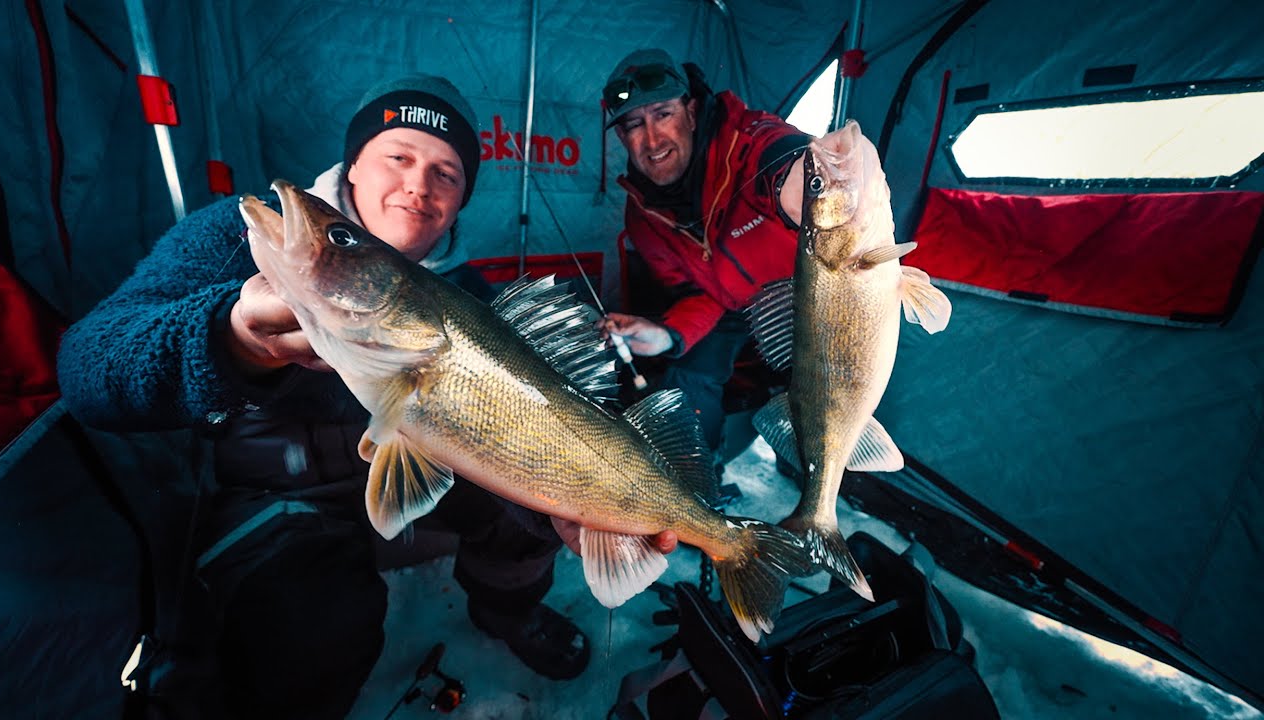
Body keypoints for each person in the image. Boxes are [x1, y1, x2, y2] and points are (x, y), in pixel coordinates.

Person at [58, 74, 672, 719]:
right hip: (284, 490)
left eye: (447, 173)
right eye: (398, 157)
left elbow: (501, 436)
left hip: (415, 466)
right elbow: (88, 373)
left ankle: (506, 613)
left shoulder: (468, 300)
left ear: (462, 201)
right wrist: (232, 338)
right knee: (316, 634)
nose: (418, 186)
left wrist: (552, 506)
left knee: (534, 521)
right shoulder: (247, 241)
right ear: (353, 164)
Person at [597, 48, 811, 465]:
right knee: (685, 382)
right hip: (729, 306)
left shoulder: (745, 144)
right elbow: (698, 293)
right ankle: (694, 489)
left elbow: (783, 156)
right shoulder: (642, 214)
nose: (653, 140)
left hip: (804, 301)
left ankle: (815, 487)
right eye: (634, 125)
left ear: (691, 113)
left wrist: (803, 174)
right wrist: (666, 335)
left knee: (823, 405)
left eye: (663, 114)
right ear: (622, 138)